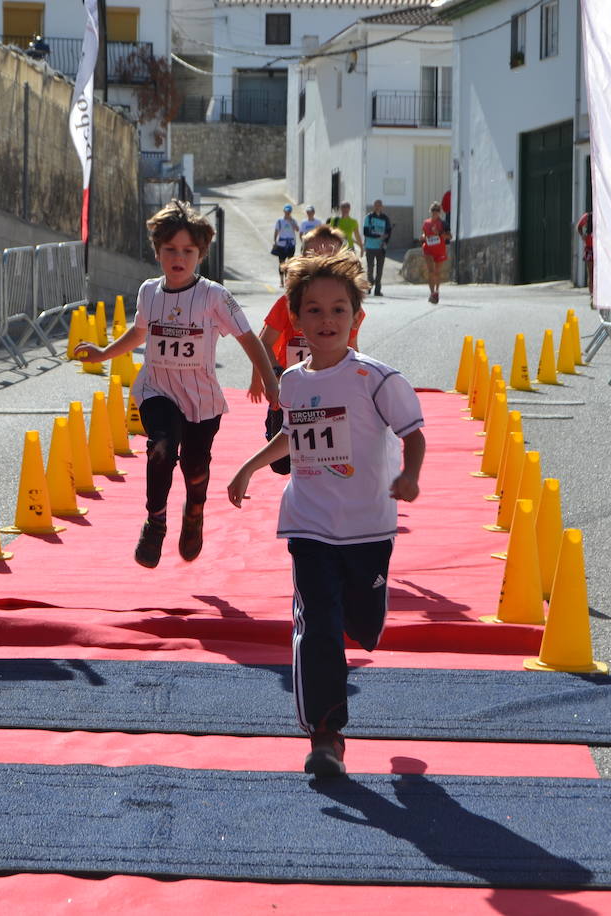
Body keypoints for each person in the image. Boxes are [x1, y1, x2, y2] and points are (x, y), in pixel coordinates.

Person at [226, 251, 425, 779]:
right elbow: (292, 435)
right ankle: (325, 734)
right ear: (296, 319)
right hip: (309, 522)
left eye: (338, 309)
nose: (326, 320)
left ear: (357, 318)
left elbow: (413, 432)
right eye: (313, 310)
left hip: (369, 526)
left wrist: (410, 475)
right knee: (317, 623)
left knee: (362, 624)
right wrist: (248, 467)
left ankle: (363, 621)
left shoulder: (376, 379)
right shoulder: (292, 381)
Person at [76, 199, 280, 568]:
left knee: (196, 468)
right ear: (157, 252)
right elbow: (140, 333)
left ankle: (194, 513)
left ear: (200, 254)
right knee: (161, 449)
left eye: (188, 251)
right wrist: (104, 353)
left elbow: (250, 338)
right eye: (170, 249)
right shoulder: (149, 292)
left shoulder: (215, 296)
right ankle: (155, 521)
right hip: (157, 390)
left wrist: (270, 381)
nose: (178, 257)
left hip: (201, 399)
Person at [249, 224, 364, 476]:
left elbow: (352, 348)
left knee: (325, 454)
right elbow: (264, 342)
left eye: (330, 256)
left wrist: (358, 385)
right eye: (315, 255)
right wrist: (270, 375)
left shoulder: (347, 308)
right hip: (289, 387)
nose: (322, 261)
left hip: (329, 388)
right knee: (280, 464)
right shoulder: (286, 304)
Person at [419, 201, 450, 304]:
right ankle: (432, 293)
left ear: (440, 212)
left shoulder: (443, 223)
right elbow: (424, 234)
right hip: (428, 249)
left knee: (437, 272)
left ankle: (437, 291)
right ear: (430, 211)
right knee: (431, 271)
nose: (435, 212)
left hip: (439, 250)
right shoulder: (426, 223)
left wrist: (439, 233)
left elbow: (449, 236)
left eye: (437, 210)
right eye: (433, 210)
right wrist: (423, 237)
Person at [362, 199, 393, 297]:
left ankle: (378, 290)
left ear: (382, 207)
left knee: (380, 270)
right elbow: (366, 232)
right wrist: (378, 236)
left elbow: (389, 232)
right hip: (370, 247)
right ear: (373, 206)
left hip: (381, 248)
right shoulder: (369, 217)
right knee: (370, 269)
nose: (378, 207)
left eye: (379, 205)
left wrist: (385, 242)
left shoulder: (385, 218)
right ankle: (369, 286)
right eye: (376, 205)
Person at [272, 204, 300, 282]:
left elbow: (297, 229)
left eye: (289, 211)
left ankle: (288, 279)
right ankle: (281, 280)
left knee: (290, 262)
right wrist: (275, 241)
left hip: (291, 244)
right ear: (284, 211)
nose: (287, 213)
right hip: (282, 244)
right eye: (286, 211)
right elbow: (276, 231)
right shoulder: (280, 221)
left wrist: (291, 222)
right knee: (281, 262)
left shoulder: (293, 220)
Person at [576, 210, 595, 306]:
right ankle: (592, 294)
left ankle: (598, 294)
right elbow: (579, 226)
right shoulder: (587, 216)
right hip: (589, 247)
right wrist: (583, 236)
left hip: (599, 247)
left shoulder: (602, 216)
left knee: (597, 273)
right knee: (591, 272)